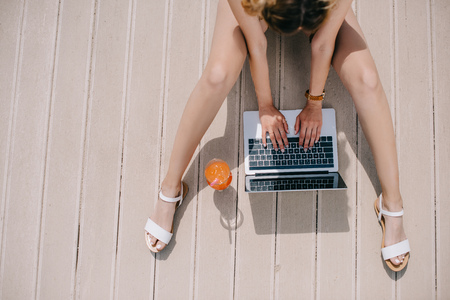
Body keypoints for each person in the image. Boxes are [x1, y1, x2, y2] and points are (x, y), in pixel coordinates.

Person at [144, 0, 410, 272]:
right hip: (256, 10)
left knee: (367, 80)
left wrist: (315, 102)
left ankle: (391, 204)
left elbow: (322, 43)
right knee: (217, 75)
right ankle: (170, 189)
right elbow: (256, 45)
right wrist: (265, 106)